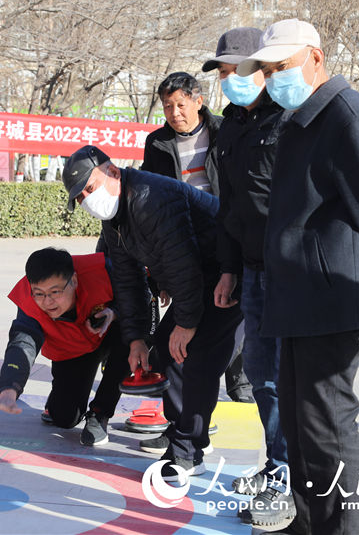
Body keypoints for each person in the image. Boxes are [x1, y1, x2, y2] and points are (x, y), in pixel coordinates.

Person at [237, 18, 359, 534]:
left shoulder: (351, 118)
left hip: (329, 296)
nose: (275, 79)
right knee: (300, 427)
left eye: (283, 67)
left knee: (327, 428)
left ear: (316, 59)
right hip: (299, 295)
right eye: (269, 71)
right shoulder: (304, 117)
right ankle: (307, 523)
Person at [62, 145, 242, 482]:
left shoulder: (149, 197)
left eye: (90, 187)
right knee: (166, 348)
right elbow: (127, 282)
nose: (88, 200)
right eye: (81, 197)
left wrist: (186, 324)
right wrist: (136, 340)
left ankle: (189, 450)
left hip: (229, 273)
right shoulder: (114, 220)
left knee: (193, 356)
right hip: (199, 279)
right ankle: (184, 437)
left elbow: (183, 264)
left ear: (112, 172)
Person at [203, 26, 295, 525]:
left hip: (294, 273)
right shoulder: (233, 125)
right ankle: (275, 462)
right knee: (260, 376)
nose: (228, 80)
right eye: (222, 71)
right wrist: (227, 269)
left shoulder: (294, 119)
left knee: (287, 379)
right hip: (252, 270)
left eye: (235, 69)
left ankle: (289, 474)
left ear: (264, 67)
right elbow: (231, 207)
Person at [141, 71, 253, 406]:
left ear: (198, 101)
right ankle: (184, 395)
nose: (175, 113)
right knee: (193, 312)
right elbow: (153, 206)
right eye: (167, 106)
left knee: (230, 307)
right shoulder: (158, 143)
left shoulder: (225, 132)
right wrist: (159, 274)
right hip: (186, 244)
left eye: (180, 104)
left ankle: (238, 379)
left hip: (227, 234)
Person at [0, 248, 129, 446]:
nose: (47, 302)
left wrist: (115, 312)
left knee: (133, 337)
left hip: (111, 334)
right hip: (73, 348)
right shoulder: (28, 299)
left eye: (55, 292)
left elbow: (142, 291)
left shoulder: (103, 270)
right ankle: (59, 398)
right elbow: (22, 343)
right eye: (39, 293)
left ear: (73, 280)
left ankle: (100, 413)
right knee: (64, 418)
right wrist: (9, 390)